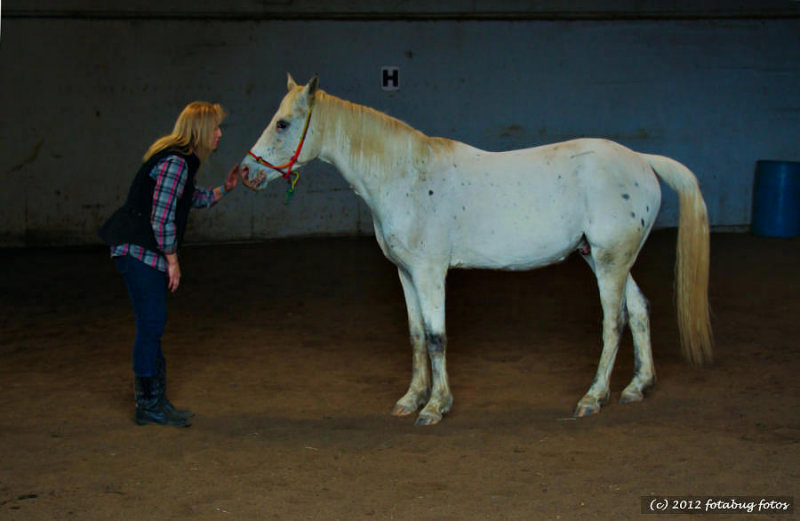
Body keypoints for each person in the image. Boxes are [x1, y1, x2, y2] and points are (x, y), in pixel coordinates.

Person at [99, 101, 243, 427]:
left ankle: (156, 401)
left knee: (154, 323)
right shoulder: (176, 163)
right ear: (202, 130)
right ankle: (147, 404)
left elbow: (190, 199)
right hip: (137, 251)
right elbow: (161, 217)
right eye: (216, 128)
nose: (220, 134)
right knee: (151, 325)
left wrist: (226, 189)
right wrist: (172, 259)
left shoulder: (180, 161)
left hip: (140, 249)